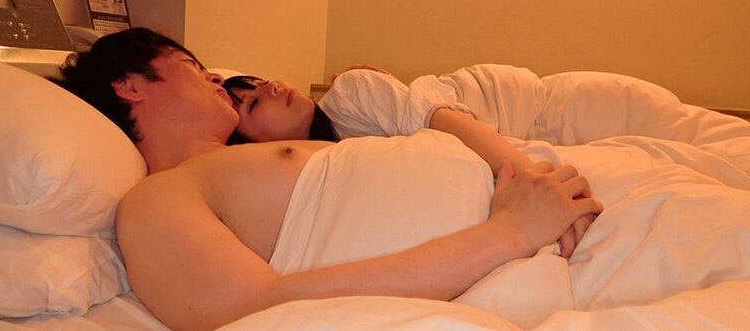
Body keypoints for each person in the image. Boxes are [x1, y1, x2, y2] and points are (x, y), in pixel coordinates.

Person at [57, 28, 602, 330]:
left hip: (547, 207)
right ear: (130, 85)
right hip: (532, 242)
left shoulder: (246, 158)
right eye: (190, 66)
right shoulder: (157, 198)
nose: (215, 77)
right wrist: (509, 232)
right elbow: (258, 308)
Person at [224, 69, 597, 254]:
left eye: (260, 83)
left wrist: (536, 181)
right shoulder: (300, 192)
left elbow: (444, 121)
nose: (271, 88)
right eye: (253, 103)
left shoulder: (347, 96)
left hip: (490, 135)